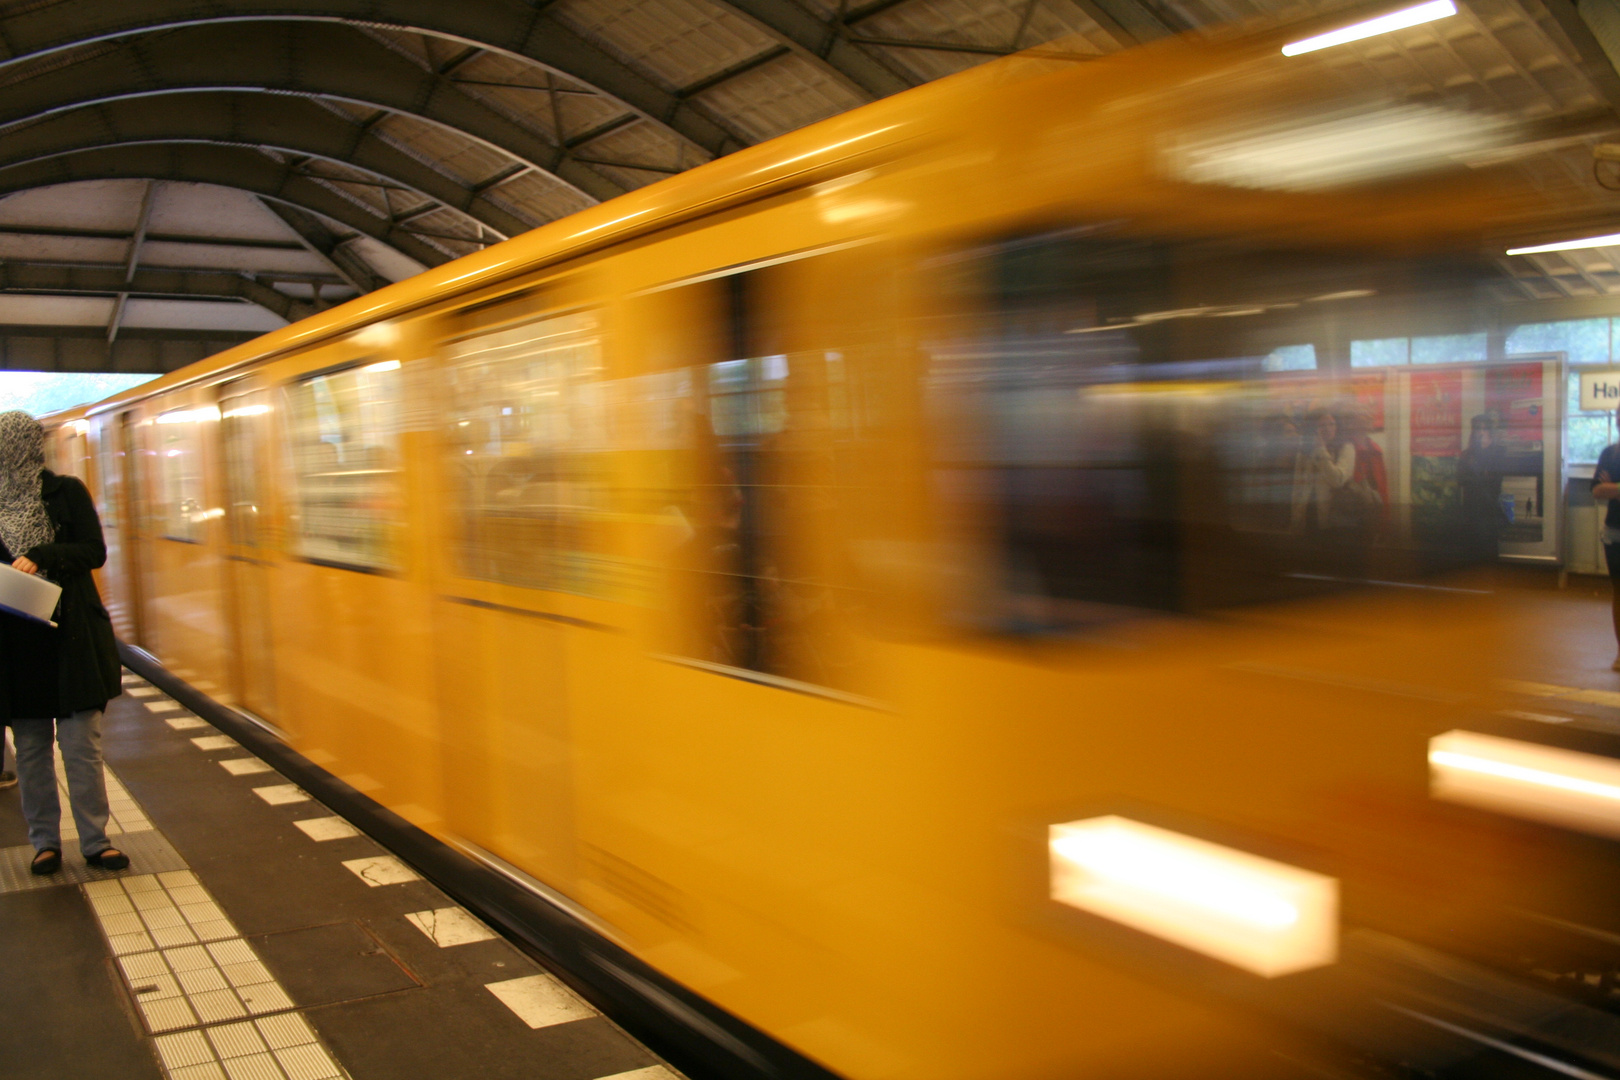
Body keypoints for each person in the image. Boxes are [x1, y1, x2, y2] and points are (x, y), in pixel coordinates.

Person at [0, 411, 125, 874]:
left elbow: (94, 550)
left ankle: (96, 841)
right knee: (31, 751)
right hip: (17, 645)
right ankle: (45, 843)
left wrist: (42, 555)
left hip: (72, 639)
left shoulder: (66, 491)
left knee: (81, 747)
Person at [1591, 404, 1620, 671]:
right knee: (1618, 592)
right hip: (1615, 533)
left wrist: (1614, 487)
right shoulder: (1609, 454)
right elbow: (1597, 490)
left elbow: (1606, 489)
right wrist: (1609, 488)